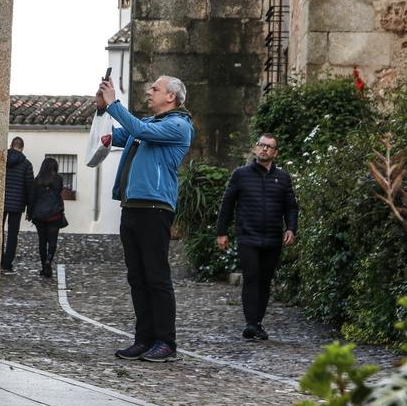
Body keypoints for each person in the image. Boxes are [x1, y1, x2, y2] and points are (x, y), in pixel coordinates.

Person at [95, 75, 194, 363]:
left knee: (156, 277)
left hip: (155, 209)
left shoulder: (178, 126)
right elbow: (116, 134)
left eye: (155, 89)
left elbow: (134, 127)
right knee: (137, 277)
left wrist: (114, 103)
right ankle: (144, 339)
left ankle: (166, 342)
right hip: (133, 207)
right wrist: (102, 109)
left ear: (171, 97)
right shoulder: (149, 126)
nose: (149, 92)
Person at [215, 133, 298, 341]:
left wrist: (291, 228)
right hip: (248, 236)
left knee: (265, 280)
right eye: (262, 145)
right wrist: (222, 232)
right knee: (251, 277)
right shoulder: (240, 174)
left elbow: (291, 206)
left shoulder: (283, 177)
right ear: (255, 148)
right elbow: (227, 204)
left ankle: (257, 322)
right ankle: (251, 323)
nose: (264, 149)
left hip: (272, 238)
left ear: (275, 153)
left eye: (269, 147)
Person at [29, 157, 67, 278]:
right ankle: (48, 261)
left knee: (42, 241)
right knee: (52, 240)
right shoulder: (58, 180)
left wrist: (30, 213)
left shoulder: (37, 181)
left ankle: (43, 265)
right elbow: (59, 192)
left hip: (39, 216)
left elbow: (32, 198)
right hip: (54, 215)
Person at [2, 136, 33, 274]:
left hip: (1, 202)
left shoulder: (2, 160)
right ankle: (7, 263)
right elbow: (29, 187)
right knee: (13, 234)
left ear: (11, 145)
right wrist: (29, 207)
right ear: (22, 147)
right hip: (17, 204)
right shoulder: (26, 164)